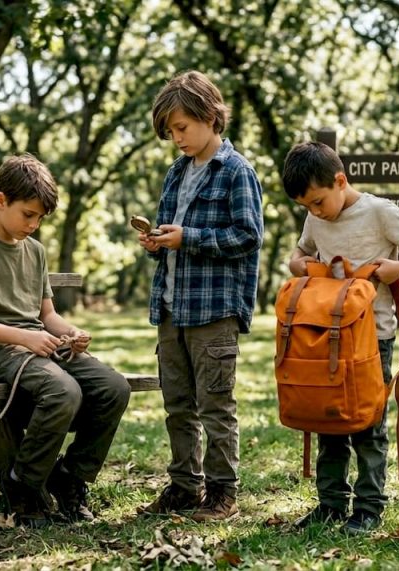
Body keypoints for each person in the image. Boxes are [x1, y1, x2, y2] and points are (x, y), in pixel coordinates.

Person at [0, 154, 131, 528]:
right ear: (1, 201)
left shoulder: (34, 250)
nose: (33, 225)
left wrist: (70, 334)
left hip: (36, 345)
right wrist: (27, 338)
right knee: (63, 391)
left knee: (114, 387)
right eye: (27, 215)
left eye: (40, 219)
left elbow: (47, 315)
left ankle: (69, 479)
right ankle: (24, 486)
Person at [281, 140, 399, 534]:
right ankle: (330, 504)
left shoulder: (378, 211)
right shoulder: (316, 218)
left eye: (318, 202)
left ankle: (369, 507)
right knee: (329, 422)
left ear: (340, 181)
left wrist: (398, 267)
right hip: (327, 338)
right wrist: (303, 265)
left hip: (373, 339)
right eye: (307, 207)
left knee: (369, 425)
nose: (315, 212)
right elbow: (298, 256)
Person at [136, 70, 264, 521]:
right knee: (177, 405)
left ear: (211, 117)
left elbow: (248, 236)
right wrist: (158, 242)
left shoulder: (236, 172)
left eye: (181, 128)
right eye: (170, 131)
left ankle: (222, 491)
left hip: (213, 310)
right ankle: (184, 486)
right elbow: (173, 233)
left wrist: (186, 237)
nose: (176, 138)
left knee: (215, 403)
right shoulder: (176, 172)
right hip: (171, 306)